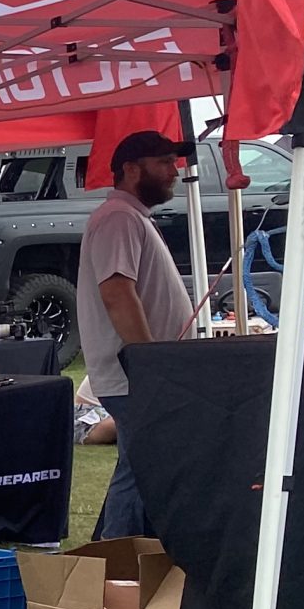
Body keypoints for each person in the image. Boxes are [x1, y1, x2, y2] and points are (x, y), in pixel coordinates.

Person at [79, 130, 196, 539]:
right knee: (141, 469)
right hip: (136, 376)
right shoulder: (118, 218)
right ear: (131, 169)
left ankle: (115, 556)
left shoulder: (129, 217)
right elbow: (116, 292)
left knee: (139, 466)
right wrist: (149, 363)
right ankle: (118, 561)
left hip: (140, 373)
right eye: (163, 162)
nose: (174, 171)